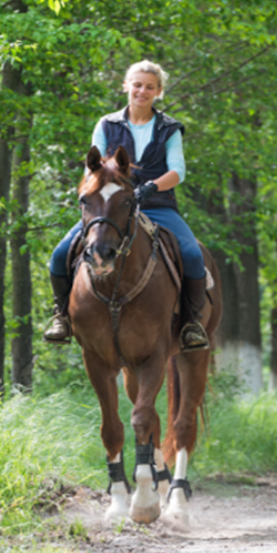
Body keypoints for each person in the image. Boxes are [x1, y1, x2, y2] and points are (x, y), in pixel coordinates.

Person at [43, 60, 210, 352]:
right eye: (137, 85)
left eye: (149, 87)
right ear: (126, 86)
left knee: (192, 255)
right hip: (109, 209)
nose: (142, 91)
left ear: (158, 91)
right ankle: (61, 317)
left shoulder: (170, 129)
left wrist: (151, 187)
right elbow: (92, 169)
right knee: (59, 255)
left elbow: (177, 171)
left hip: (157, 205)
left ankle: (191, 324)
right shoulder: (106, 124)